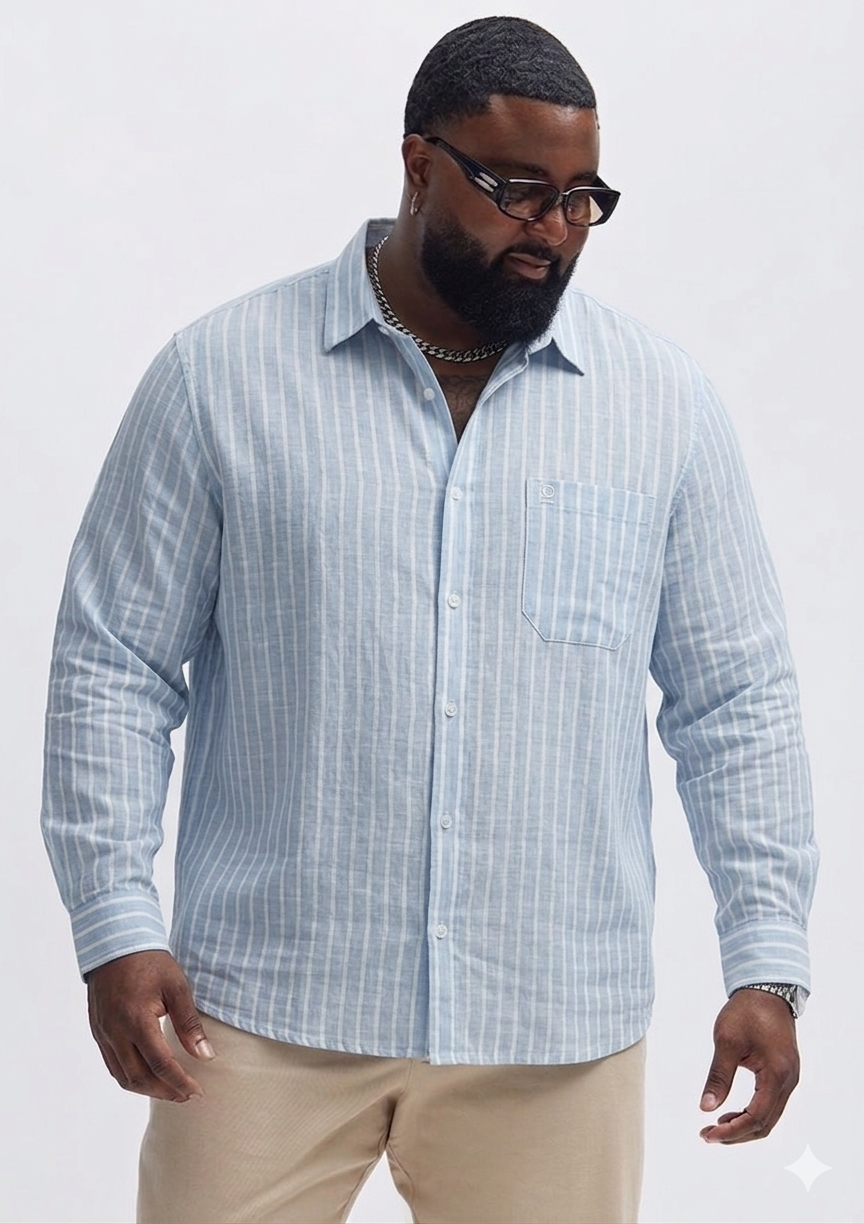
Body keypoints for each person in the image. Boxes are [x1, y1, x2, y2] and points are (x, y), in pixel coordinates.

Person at [40, 16, 819, 1224]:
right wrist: (112, 920)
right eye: (515, 192)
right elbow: (115, 666)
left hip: (550, 1030)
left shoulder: (663, 410)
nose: (551, 232)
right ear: (418, 166)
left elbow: (739, 700)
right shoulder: (222, 377)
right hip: (259, 1015)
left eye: (581, 201)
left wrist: (767, 958)